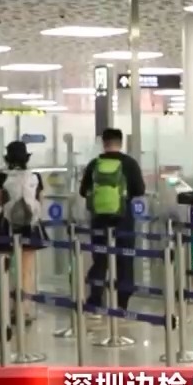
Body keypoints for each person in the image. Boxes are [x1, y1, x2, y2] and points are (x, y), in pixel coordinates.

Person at [79, 128, 146, 317]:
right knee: (125, 259)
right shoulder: (129, 163)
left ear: (104, 143)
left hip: (99, 219)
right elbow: (140, 189)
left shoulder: (94, 164)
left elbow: (83, 191)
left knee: (100, 259)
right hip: (123, 219)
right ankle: (122, 303)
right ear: (120, 143)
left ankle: (95, 300)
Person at [0, 141, 48, 323]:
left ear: (8, 158)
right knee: (26, 272)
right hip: (30, 227)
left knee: (4, 269)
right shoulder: (35, 176)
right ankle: (24, 311)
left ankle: (6, 311)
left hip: (6, 227)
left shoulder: (1, 177)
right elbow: (40, 201)